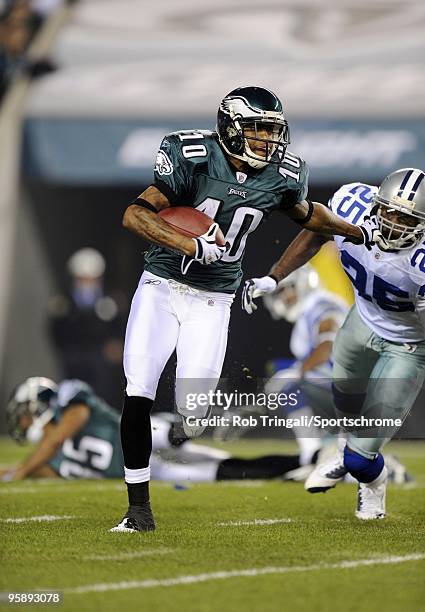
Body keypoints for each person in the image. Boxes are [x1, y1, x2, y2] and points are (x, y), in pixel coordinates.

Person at [117, 85, 388, 532]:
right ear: (229, 127)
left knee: (196, 412)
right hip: (162, 285)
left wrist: (356, 231)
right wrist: (190, 243)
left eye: (272, 130)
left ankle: (183, 430)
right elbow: (135, 215)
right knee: (138, 389)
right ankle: (138, 509)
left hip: (213, 298)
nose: (267, 139)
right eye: (256, 128)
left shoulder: (281, 175)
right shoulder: (192, 156)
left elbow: (308, 216)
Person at [243, 168, 425, 519]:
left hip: (409, 344)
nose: (394, 223)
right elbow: (316, 233)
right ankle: (344, 452)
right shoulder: (352, 204)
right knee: (345, 402)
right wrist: (274, 276)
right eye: (389, 211)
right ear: (376, 204)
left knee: (360, 455)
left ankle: (371, 479)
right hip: (361, 321)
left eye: (406, 218)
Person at [1, 377, 303, 483]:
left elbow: (62, 434)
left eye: (24, 416)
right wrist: (13, 473)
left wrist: (21, 471)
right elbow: (35, 468)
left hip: (144, 434)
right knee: (222, 473)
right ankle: (298, 465)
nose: (23, 424)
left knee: (179, 436)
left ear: (37, 405)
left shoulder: (69, 397)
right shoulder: (45, 457)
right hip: (141, 471)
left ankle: (222, 417)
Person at [48, 248, 126, 408]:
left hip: (100, 358)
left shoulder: (110, 301)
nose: (87, 283)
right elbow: (56, 330)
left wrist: (116, 345)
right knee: (73, 397)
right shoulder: (63, 302)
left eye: (91, 279)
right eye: (82, 279)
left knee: (102, 396)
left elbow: (120, 326)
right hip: (74, 357)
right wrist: (66, 351)